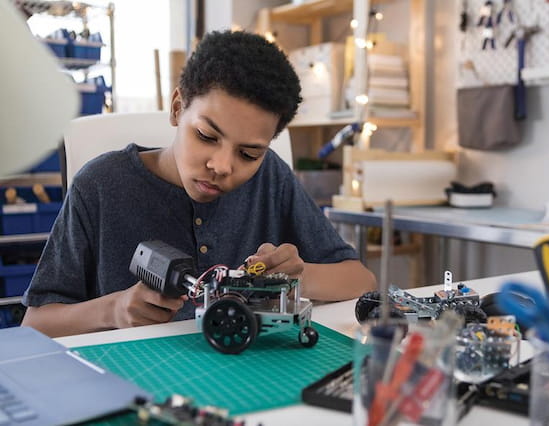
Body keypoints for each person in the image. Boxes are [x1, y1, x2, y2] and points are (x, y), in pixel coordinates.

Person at [22, 30, 376, 338]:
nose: (222, 166)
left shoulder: (272, 178)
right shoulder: (100, 185)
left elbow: (361, 280)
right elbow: (35, 325)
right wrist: (112, 310)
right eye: (207, 136)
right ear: (178, 109)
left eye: (249, 154)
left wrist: (295, 278)